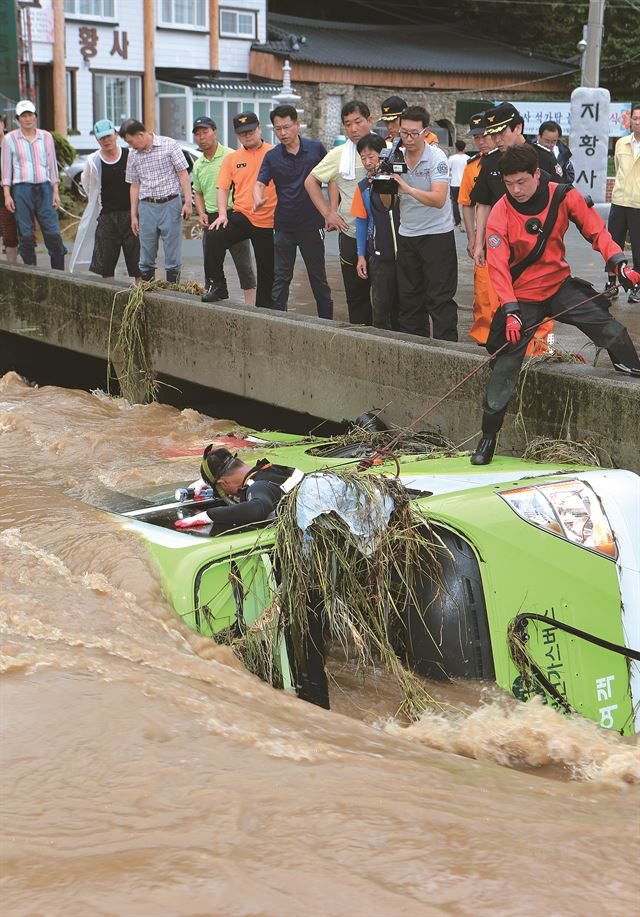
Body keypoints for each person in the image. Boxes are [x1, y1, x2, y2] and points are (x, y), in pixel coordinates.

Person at [470, 144, 640, 466]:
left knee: (613, 330)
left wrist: (618, 262)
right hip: (522, 298)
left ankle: (631, 368)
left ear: (537, 174)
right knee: (506, 365)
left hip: (560, 286)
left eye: (522, 181)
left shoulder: (563, 195)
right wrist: (509, 309)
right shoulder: (500, 212)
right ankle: (488, 436)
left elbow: (597, 231)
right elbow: (498, 267)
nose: (516, 190)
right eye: (509, 184)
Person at [472, 102, 559, 351]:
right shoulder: (490, 162)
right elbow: (483, 204)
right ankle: (505, 347)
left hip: (537, 248)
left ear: (518, 127)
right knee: (499, 300)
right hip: (501, 247)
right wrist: (478, 242)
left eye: (501, 133)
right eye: (493, 134)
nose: (496, 139)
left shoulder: (542, 157)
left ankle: (546, 348)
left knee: (543, 303)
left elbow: (561, 200)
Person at [253, 105, 332, 318]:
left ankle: (328, 324)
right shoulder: (272, 156)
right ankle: (279, 323)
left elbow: (332, 177)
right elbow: (260, 183)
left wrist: (331, 211)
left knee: (318, 278)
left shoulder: (316, 149)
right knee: (281, 278)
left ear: (297, 125)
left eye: (287, 127)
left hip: (311, 225)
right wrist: (257, 197)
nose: (283, 133)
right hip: (283, 226)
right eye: (278, 129)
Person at [305, 100, 374, 325]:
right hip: (351, 234)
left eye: (358, 122)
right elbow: (311, 182)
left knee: (387, 297)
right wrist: (328, 213)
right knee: (356, 297)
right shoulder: (339, 154)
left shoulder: (386, 149)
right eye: (347, 124)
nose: (353, 129)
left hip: (383, 237)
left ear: (369, 121)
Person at [393, 105, 458, 340]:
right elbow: (385, 200)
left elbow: (439, 199)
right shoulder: (395, 155)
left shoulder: (437, 157)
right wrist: (381, 183)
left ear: (426, 131)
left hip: (437, 235)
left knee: (439, 298)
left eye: (414, 133)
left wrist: (408, 189)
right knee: (409, 298)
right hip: (407, 234)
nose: (408, 139)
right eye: (403, 133)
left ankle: (448, 353)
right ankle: (414, 348)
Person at [204, 112, 276, 308]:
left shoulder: (274, 153)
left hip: (269, 220)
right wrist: (222, 215)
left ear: (259, 128)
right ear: (237, 135)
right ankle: (218, 286)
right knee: (213, 236)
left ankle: (265, 307)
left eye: (251, 131)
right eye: (242, 133)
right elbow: (223, 188)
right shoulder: (232, 159)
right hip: (243, 215)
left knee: (267, 267)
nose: (247, 135)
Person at [191, 116, 255, 305]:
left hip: (232, 214)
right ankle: (216, 293)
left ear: (215, 132)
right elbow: (198, 192)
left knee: (243, 263)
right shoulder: (198, 164)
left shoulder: (231, 156)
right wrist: (201, 213)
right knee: (210, 263)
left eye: (205, 132)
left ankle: (250, 305)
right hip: (211, 217)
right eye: (197, 134)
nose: (201, 137)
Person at [121, 118, 191, 283]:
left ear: (140, 134)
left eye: (131, 142)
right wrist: (133, 216)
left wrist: (188, 202)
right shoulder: (133, 155)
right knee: (146, 254)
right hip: (146, 207)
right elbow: (134, 185)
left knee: (172, 254)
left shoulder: (169, 144)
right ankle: (146, 292)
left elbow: (183, 173)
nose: (131, 146)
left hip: (171, 204)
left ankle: (174, 292)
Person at [70, 119, 140, 280]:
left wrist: (136, 212)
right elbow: (88, 185)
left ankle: (140, 296)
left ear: (116, 135)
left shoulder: (130, 155)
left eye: (109, 136)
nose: (106, 140)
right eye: (102, 138)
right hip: (107, 216)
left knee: (138, 264)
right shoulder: (93, 161)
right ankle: (110, 297)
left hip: (132, 215)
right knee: (106, 266)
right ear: (97, 140)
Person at [1, 99, 66, 270]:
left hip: (44, 188)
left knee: (52, 232)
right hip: (21, 190)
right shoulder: (10, 139)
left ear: (36, 116)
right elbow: (6, 169)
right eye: (23, 116)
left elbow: (52, 165)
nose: (27, 119)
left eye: (30, 115)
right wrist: (7, 195)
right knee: (26, 235)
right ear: (18, 119)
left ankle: (60, 275)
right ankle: (33, 276)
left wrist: (55, 191)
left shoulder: (46, 137)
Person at [174, 446, 303, 529]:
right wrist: (205, 481)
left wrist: (208, 515)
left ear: (222, 483)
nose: (230, 495)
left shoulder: (257, 487)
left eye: (222, 490)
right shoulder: (272, 469)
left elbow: (258, 508)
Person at [350, 133, 400, 330]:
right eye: (363, 158)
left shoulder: (400, 181)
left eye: (371, 156)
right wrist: (361, 256)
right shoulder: (363, 187)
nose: (367, 161)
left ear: (384, 155)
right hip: (378, 256)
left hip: (405, 253)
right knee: (380, 306)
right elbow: (361, 223)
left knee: (407, 305)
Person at [459, 112, 500, 345]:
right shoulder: (472, 167)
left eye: (484, 135)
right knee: (483, 291)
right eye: (476, 137)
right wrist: (472, 239)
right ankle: (485, 338)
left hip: (506, 236)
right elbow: (466, 204)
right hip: (484, 239)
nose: (481, 140)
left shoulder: (508, 160)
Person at [605, 102, 640, 304]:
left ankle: (636, 286)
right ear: (630, 121)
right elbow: (618, 168)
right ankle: (611, 284)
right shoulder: (621, 143)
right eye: (635, 118)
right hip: (619, 201)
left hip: (638, 204)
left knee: (638, 246)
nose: (638, 122)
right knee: (613, 244)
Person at [0, 116, 18, 264]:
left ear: (3, 125)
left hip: (12, 196)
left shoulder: (13, 143)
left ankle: (13, 268)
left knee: (11, 234)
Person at [535, 120, 574, 184]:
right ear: (539, 136)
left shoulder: (563, 152)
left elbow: (570, 175)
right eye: (547, 141)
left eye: (553, 141)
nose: (550, 145)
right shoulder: (530, 150)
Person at [448, 139, 468, 227]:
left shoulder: (452, 158)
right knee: (466, 203)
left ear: (456, 148)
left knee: (455, 203)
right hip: (465, 184)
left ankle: (458, 222)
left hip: (454, 183)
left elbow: (448, 170)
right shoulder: (468, 158)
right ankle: (467, 221)